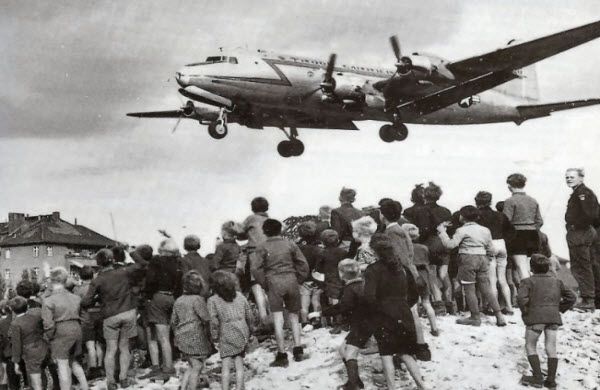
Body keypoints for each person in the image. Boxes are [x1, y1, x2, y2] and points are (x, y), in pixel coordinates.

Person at [364, 234, 427, 390]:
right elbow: (414, 293)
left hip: (383, 314)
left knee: (386, 354)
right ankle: (421, 385)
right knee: (406, 352)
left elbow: (369, 298)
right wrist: (403, 305)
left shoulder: (372, 269)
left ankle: (392, 387)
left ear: (374, 251)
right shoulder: (403, 268)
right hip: (403, 311)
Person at [81, 248, 146, 390]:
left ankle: (110, 381)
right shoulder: (124, 272)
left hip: (110, 316)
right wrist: (130, 249)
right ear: (113, 260)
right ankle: (123, 378)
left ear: (98, 263)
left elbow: (85, 302)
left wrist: (97, 298)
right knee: (124, 348)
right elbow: (142, 263)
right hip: (128, 312)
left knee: (111, 350)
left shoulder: (98, 280)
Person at [251, 219, 309, 367]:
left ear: (264, 231)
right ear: (280, 230)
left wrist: (265, 283)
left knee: (278, 318)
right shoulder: (290, 244)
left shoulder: (261, 247)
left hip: (273, 281)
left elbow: (256, 269)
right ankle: (298, 350)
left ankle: (282, 354)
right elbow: (303, 264)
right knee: (294, 316)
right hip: (291, 279)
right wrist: (299, 279)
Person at [438, 206, 507, 327]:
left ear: (461, 217)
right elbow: (490, 248)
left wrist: (442, 232)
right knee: (486, 288)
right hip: (482, 258)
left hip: (467, 258)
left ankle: (475, 317)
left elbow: (450, 245)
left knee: (469, 289)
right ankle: (499, 315)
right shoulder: (485, 230)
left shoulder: (461, 230)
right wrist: (488, 259)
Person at [517, 255, 577, 389]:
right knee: (551, 348)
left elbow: (521, 299)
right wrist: (558, 308)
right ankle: (551, 381)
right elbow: (572, 297)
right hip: (553, 318)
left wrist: (526, 312)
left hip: (535, 318)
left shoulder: (527, 281)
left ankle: (537, 377)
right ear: (548, 268)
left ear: (531, 268)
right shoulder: (557, 281)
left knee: (530, 345)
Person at [407, 182, 454, 314]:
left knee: (431, 273)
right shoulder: (445, 211)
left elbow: (423, 230)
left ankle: (438, 303)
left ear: (424, 195)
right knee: (444, 274)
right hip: (444, 243)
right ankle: (449, 302)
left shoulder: (422, 211)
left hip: (430, 243)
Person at [321, 259, 367, 390]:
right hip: (366, 322)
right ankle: (355, 380)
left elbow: (343, 306)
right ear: (359, 271)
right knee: (343, 350)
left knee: (350, 353)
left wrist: (322, 313)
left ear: (341, 274)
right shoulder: (365, 284)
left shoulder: (349, 288)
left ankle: (353, 385)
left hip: (362, 324)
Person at [41, 267, 88, 390]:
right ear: (65, 279)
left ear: (51, 281)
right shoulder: (76, 297)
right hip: (76, 329)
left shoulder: (48, 301)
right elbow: (84, 318)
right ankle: (85, 387)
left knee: (62, 365)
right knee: (74, 362)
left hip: (60, 332)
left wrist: (50, 337)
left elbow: (48, 324)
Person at [143, 239, 183, 379]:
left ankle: (167, 368)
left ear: (162, 250)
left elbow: (150, 280)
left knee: (162, 336)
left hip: (158, 297)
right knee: (168, 335)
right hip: (172, 297)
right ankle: (168, 364)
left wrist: (148, 296)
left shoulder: (156, 261)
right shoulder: (178, 263)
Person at [208, 271, 254, 390]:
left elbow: (213, 321)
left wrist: (214, 337)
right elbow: (249, 315)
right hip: (242, 329)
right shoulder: (240, 296)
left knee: (226, 365)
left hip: (226, 331)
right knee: (239, 363)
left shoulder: (213, 300)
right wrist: (251, 330)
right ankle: (239, 388)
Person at [475, 191, 516, 314]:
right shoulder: (500, 215)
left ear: (476, 201)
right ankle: (509, 306)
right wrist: (504, 240)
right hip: (501, 244)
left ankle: (494, 307)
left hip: (489, 245)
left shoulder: (477, 216)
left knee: (492, 280)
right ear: (490, 201)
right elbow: (512, 231)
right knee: (502, 279)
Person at [564, 168, 600, 311]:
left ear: (581, 178)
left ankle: (587, 300)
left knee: (581, 265)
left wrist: (573, 226)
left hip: (581, 232)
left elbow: (589, 215)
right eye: (567, 177)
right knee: (591, 264)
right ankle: (594, 299)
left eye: (572, 177)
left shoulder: (582, 193)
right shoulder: (581, 192)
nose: (569, 179)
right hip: (586, 232)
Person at [171, 271, 212, 390]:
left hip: (181, 336)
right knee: (197, 367)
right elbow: (206, 318)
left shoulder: (178, 300)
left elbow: (173, 321)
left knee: (191, 365)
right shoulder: (198, 300)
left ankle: (183, 387)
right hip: (195, 335)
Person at [503, 173, 544, 280]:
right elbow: (539, 221)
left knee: (521, 269)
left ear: (509, 186)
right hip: (532, 235)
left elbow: (506, 222)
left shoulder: (509, 201)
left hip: (517, 236)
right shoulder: (533, 200)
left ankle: (528, 294)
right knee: (531, 268)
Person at [403, 223, 439, 336]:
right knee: (427, 302)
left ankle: (415, 331)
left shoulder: (405, 249)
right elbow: (428, 263)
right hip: (423, 275)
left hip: (411, 275)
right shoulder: (424, 248)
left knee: (413, 305)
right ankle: (434, 328)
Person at [240, 197, 270, 325]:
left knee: (256, 285)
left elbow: (240, 233)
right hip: (269, 253)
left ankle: (263, 318)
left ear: (252, 208)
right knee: (268, 286)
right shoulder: (270, 220)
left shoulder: (251, 219)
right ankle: (273, 318)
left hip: (254, 254)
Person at [7, 296, 47, 390]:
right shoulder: (35, 318)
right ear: (27, 307)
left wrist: (16, 362)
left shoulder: (15, 324)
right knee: (41, 372)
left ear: (12, 310)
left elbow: (16, 345)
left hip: (30, 351)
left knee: (34, 377)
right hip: (42, 346)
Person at [72, 266, 104, 381]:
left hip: (86, 319)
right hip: (100, 317)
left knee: (90, 346)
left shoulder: (77, 290)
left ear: (80, 276)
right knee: (99, 344)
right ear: (92, 275)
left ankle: (93, 368)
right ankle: (100, 367)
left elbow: (76, 306)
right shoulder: (98, 287)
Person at [295, 221, 325, 329]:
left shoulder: (296, 248)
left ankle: (305, 322)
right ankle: (317, 320)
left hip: (303, 280)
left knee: (304, 304)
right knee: (316, 301)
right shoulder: (319, 249)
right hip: (316, 279)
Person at [318, 229, 348, 330]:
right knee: (342, 299)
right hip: (342, 277)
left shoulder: (322, 253)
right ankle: (344, 322)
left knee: (334, 300)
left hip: (330, 279)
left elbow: (318, 268)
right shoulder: (343, 252)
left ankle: (336, 323)